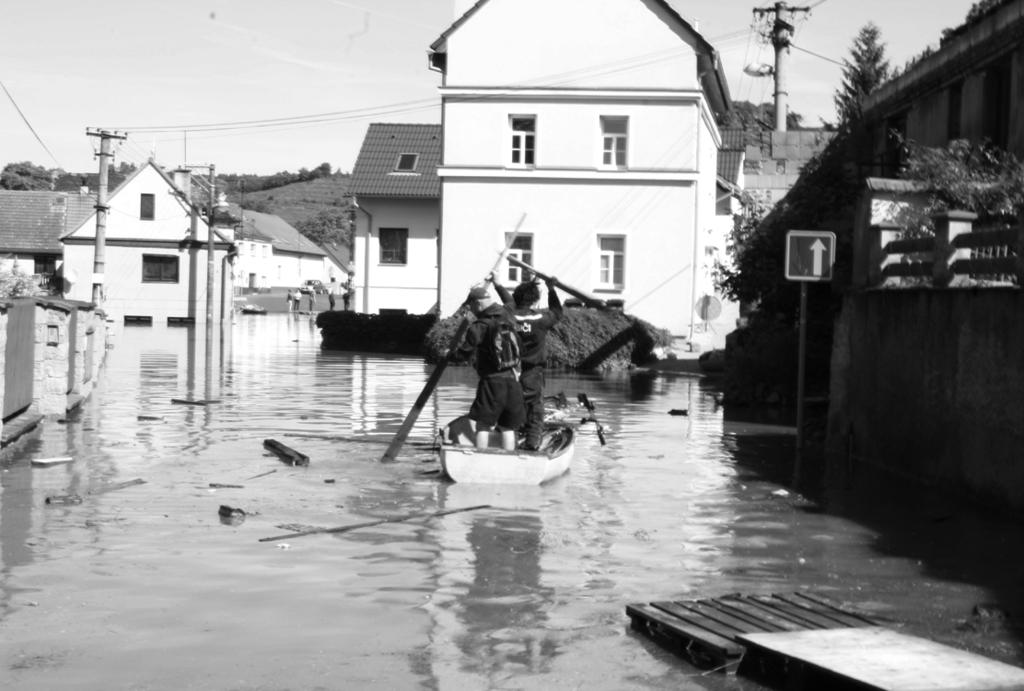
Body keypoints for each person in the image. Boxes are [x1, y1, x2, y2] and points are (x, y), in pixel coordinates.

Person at [450, 281, 525, 450]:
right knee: (507, 427)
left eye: (472, 307)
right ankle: (508, 461)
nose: (472, 311)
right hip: (513, 380)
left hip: (492, 382)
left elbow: (464, 354)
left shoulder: (479, 326)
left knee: (483, 425)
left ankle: (480, 458)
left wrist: (449, 354)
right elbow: (510, 300)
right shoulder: (508, 313)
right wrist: (497, 283)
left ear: (477, 304)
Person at [494, 273, 563, 450]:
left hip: (509, 372)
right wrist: (551, 289)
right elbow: (557, 311)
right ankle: (532, 446)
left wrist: (498, 284)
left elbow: (508, 303)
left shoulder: (508, 316)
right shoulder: (540, 320)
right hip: (533, 373)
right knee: (535, 410)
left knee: (510, 411)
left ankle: (509, 446)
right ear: (534, 301)